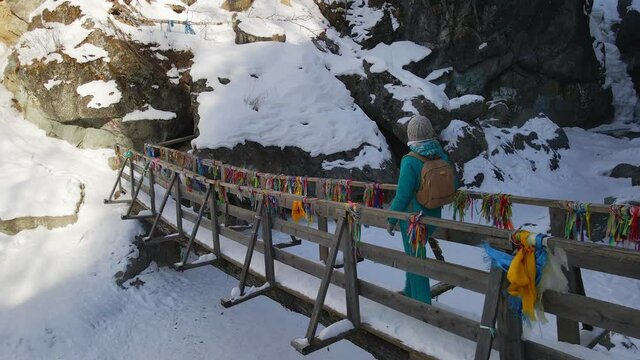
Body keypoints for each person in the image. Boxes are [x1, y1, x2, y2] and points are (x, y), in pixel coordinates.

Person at [386, 115, 457, 304]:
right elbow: (453, 184)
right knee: (414, 255)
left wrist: (391, 219)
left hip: (413, 221)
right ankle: (410, 291)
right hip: (433, 215)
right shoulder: (440, 155)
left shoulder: (410, 161)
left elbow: (402, 195)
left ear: (411, 135)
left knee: (415, 260)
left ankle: (422, 304)